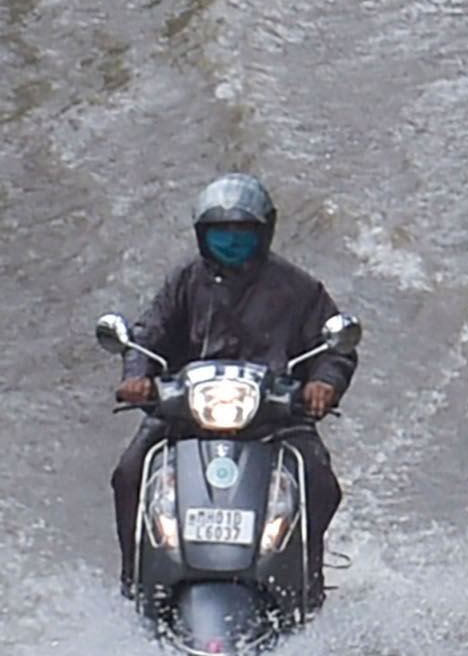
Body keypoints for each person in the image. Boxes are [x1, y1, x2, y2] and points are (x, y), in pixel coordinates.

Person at [113, 173, 357, 590]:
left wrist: (323, 385)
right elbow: (146, 334)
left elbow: (334, 348)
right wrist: (137, 377)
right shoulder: (185, 280)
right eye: (220, 231)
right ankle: (135, 576)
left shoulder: (299, 288)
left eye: (242, 231)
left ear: (264, 233)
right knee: (130, 472)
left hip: (276, 415)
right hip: (187, 411)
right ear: (201, 234)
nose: (230, 240)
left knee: (320, 483)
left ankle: (306, 577)